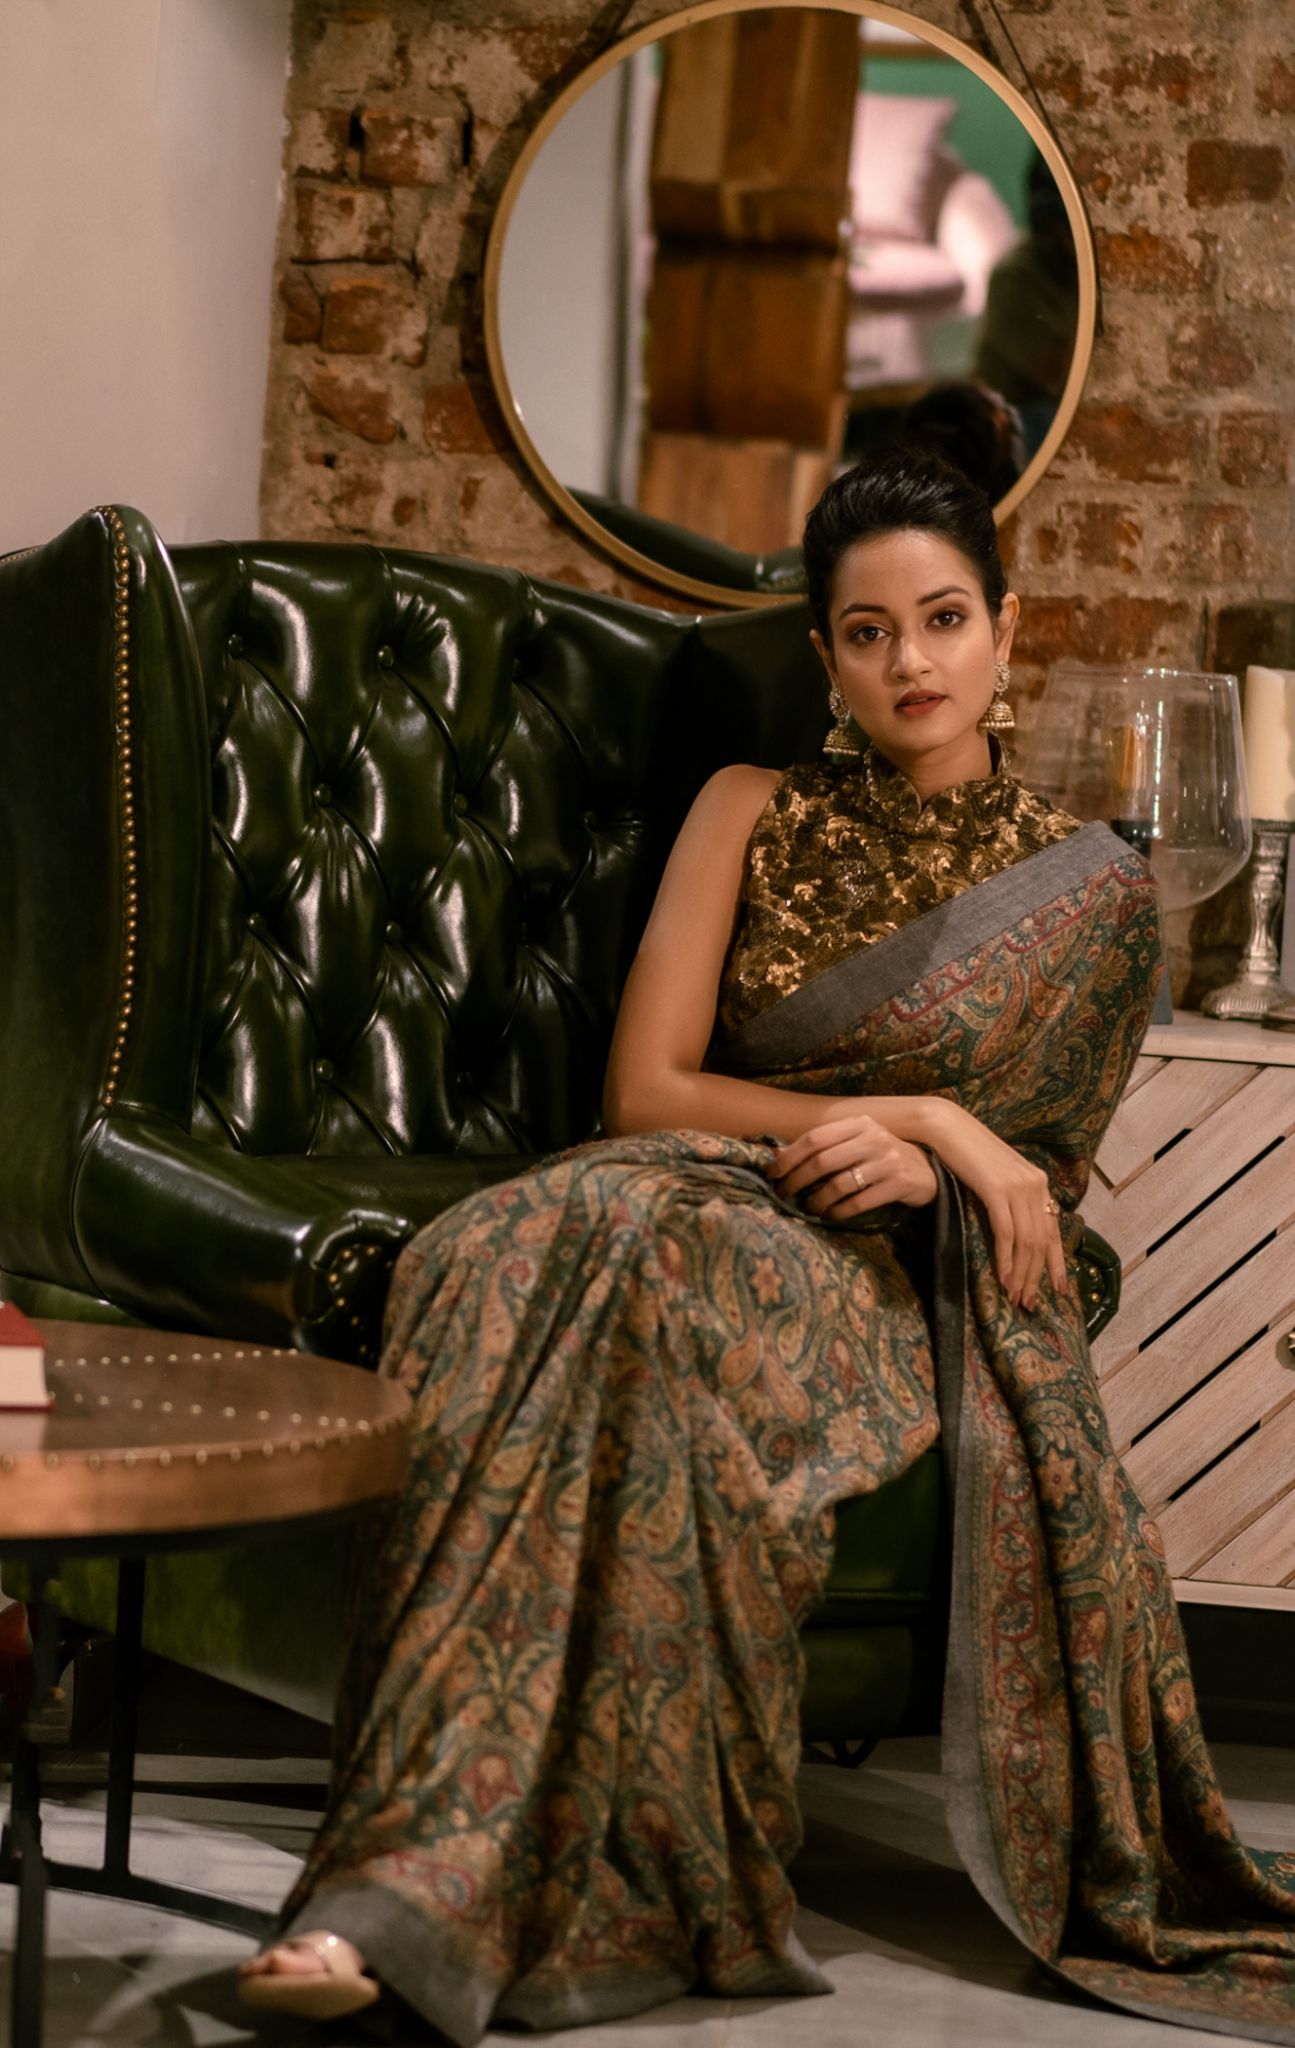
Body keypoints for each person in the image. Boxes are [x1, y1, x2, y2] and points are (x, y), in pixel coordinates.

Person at [239, 451, 1295, 2041]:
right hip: (685, 1187)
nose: (911, 661)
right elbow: (647, 1092)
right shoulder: (751, 808)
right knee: (492, 1248)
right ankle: (403, 1884)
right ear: (825, 657)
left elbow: (1037, 1203)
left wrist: (939, 1161)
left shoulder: (1092, 900)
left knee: (640, 1268)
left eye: (944, 619)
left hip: (877, 1280)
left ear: (1009, 629)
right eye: (868, 633)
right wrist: (923, 1110)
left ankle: (454, 1900)